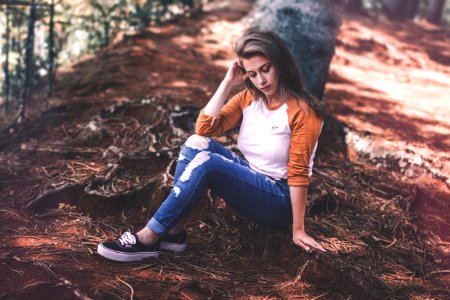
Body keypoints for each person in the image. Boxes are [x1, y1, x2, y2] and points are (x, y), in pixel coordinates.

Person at [97, 30, 326, 262]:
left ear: (280, 63)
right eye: (253, 74)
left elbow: (298, 174)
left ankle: (147, 237)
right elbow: (205, 129)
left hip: (279, 198)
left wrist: (298, 229)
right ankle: (174, 232)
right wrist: (228, 82)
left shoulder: (303, 112)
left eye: (266, 69)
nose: (261, 81)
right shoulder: (249, 99)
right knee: (195, 143)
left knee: (209, 164)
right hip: (253, 177)